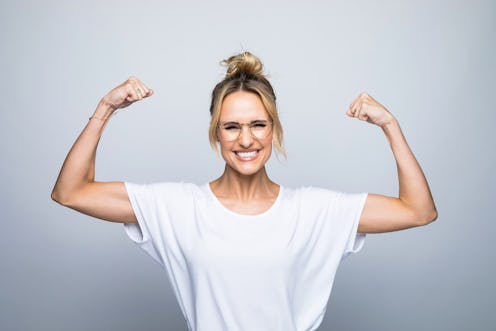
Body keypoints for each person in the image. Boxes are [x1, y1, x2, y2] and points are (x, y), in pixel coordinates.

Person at [51, 51, 437, 331]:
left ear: (274, 129)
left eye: (258, 124)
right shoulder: (179, 207)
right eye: (231, 126)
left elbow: (418, 211)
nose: (246, 139)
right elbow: (71, 191)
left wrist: (390, 125)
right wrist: (105, 110)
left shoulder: (314, 211)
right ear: (215, 133)